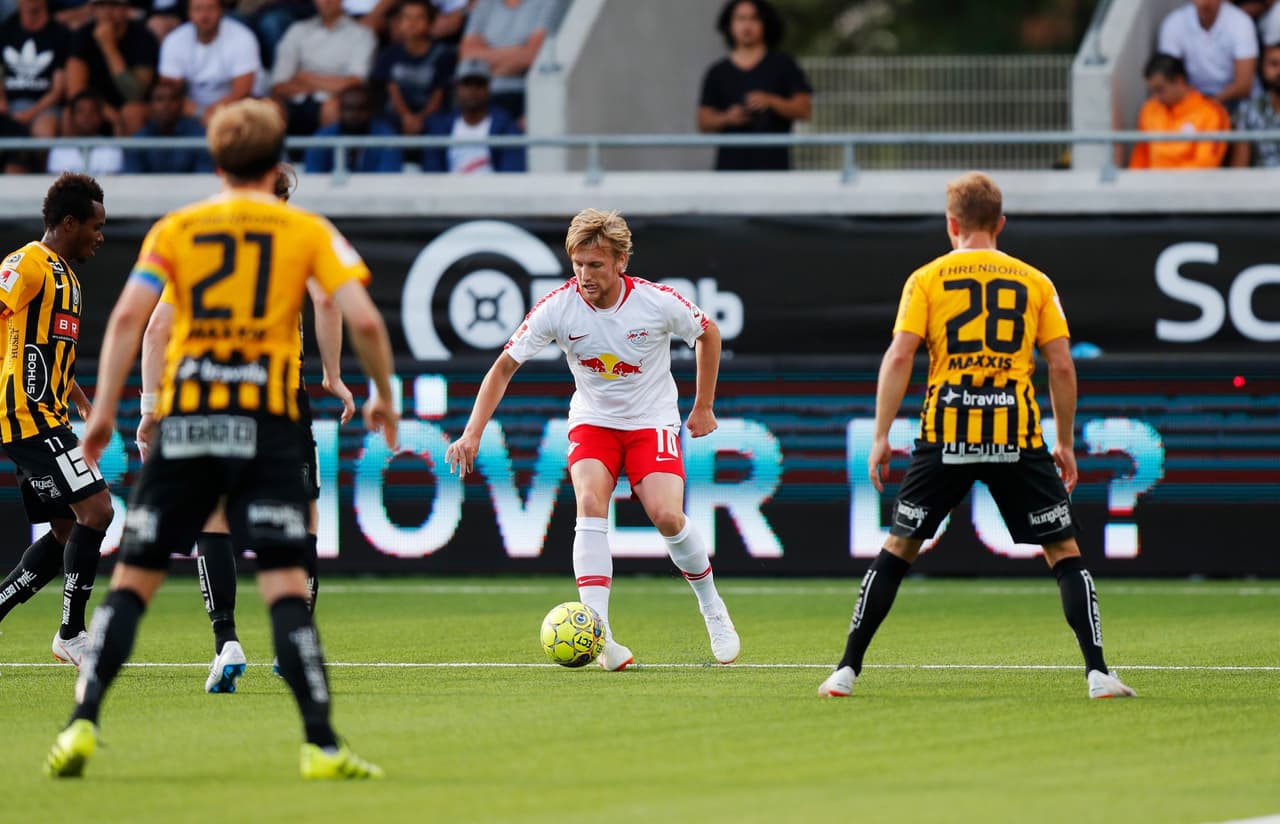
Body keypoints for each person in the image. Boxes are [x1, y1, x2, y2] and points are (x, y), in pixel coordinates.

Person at [43, 98, 396, 780]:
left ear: (217, 160)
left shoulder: (179, 229)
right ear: (274, 161)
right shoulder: (307, 231)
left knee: (133, 581)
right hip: (269, 422)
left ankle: (81, 724)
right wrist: (383, 393)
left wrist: (112, 411)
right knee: (287, 585)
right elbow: (364, 321)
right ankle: (321, 745)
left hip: (189, 420)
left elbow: (133, 322)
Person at [816, 172, 1137, 701]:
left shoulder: (926, 279)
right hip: (1016, 432)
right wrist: (1064, 441)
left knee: (899, 546)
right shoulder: (1035, 282)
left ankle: (846, 670)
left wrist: (881, 435)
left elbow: (899, 356)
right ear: (1000, 223)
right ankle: (1098, 673)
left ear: (952, 224)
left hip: (947, 432)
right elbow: (1061, 365)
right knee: (1063, 549)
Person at [445, 208, 740, 671]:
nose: (585, 274)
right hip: (594, 421)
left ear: (621, 261)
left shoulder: (656, 302)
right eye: (578, 264)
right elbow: (503, 368)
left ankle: (711, 606)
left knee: (666, 515)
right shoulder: (558, 306)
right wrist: (471, 432)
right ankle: (599, 635)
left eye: (595, 264)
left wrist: (703, 405)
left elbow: (708, 333)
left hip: (651, 421)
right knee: (589, 501)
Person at [134, 162, 355, 693]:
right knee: (300, 516)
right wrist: (332, 374)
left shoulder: (197, 235)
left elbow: (155, 327)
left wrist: (150, 407)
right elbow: (329, 300)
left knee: (214, 517)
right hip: (279, 395)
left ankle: (226, 640)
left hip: (213, 395)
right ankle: (293, 644)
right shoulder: (299, 234)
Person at [0, 172, 115, 670]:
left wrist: (84, 402)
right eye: (95, 225)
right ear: (69, 223)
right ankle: (71, 634)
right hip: (27, 416)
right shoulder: (26, 263)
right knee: (99, 511)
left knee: (69, 529)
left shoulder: (69, 280)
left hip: (49, 417)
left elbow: (52, 356)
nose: (100, 236)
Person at [697, 0, 811, 172]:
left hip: (775, 170)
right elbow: (703, 121)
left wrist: (771, 101)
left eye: (754, 18)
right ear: (730, 25)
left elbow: (805, 109)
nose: (747, 25)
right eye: (740, 19)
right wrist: (727, 118)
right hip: (729, 171)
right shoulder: (717, 72)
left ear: (765, 24)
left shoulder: (784, 65)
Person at [270, 0, 376, 135]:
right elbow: (279, 85)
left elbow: (355, 83)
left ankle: (329, 149)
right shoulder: (297, 30)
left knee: (334, 107)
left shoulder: (361, 34)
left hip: (333, 101)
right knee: (270, 108)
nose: (325, 1)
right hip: (295, 100)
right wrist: (330, 84)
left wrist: (305, 78)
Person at [157, 0, 260, 123]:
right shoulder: (174, 40)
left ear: (221, 11)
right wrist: (201, 114)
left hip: (233, 111)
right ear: (189, 12)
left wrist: (215, 114)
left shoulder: (243, 37)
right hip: (188, 115)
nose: (204, 16)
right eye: (198, 9)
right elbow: (170, 90)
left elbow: (243, 91)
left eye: (210, 9)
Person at [64, 0, 157, 135]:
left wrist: (109, 47)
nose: (107, 12)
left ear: (126, 8)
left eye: (114, 5)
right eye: (101, 6)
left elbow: (135, 94)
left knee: (132, 111)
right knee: (71, 112)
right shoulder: (82, 35)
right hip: (97, 105)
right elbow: (75, 89)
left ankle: (129, 150)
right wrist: (105, 111)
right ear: (93, 10)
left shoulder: (143, 37)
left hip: (132, 105)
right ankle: (72, 150)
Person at [457, 0, 555, 122]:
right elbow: (467, 54)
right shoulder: (484, 4)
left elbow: (534, 55)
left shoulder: (547, 3)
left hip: (523, 93)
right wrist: (519, 51)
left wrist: (485, 63)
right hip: (483, 93)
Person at [422, 57, 524, 173]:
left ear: (488, 88)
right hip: (451, 185)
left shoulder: (506, 126)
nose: (473, 90)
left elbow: (512, 171)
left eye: (479, 84)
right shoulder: (439, 127)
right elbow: (433, 173)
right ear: (456, 88)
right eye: (467, 84)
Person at [1129, 53, 1230, 169]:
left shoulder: (1212, 113)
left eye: (1160, 89)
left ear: (1179, 81)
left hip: (1190, 180)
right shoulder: (1149, 109)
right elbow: (1141, 155)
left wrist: (1168, 178)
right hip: (1152, 179)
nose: (1156, 97)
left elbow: (1206, 162)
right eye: (1152, 91)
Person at [371, 0, 453, 135]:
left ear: (431, 22)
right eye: (407, 17)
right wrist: (406, 117)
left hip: (431, 116)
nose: (412, 23)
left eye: (419, 17)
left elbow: (439, 95)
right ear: (399, 22)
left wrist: (420, 118)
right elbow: (392, 90)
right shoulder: (390, 54)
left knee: (438, 127)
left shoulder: (443, 54)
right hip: (396, 115)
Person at [1157, 0, 1258, 105]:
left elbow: (1243, 86)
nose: (1204, 3)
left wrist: (1208, 105)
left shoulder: (1241, 22)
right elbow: (1168, 77)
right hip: (1192, 99)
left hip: (1234, 100)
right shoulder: (1174, 23)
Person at [0, 0, 72, 140]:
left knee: (44, 132)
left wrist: (29, 114)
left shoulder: (61, 34)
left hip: (45, 107)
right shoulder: (5, 30)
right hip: (9, 105)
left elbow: (58, 90)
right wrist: (2, 101)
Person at [304, 83, 402, 172]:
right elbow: (313, 176)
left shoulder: (387, 138)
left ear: (371, 110)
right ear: (340, 110)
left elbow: (388, 179)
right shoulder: (322, 138)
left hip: (375, 187)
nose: (354, 114)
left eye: (361, 108)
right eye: (348, 108)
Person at [124, 79, 213, 172]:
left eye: (173, 99)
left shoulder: (198, 136)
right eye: (160, 99)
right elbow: (132, 176)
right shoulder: (139, 140)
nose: (166, 105)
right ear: (150, 106)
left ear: (181, 105)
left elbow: (204, 175)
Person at [46, 88, 124, 173]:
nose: (87, 116)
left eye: (93, 111)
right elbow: (57, 179)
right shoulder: (60, 148)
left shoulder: (111, 147)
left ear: (101, 116)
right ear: (72, 117)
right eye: (80, 111)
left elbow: (112, 179)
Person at [1230, 42, 1280, 166]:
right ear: (1262, 68)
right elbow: (1240, 166)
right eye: (1274, 64)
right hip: (1262, 177)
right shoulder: (1247, 110)